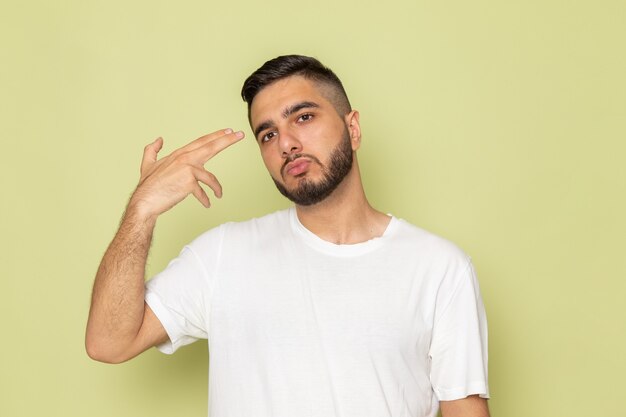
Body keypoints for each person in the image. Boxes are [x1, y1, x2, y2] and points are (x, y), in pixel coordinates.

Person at [86, 55, 490, 417]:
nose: (287, 144)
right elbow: (108, 342)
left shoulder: (439, 269)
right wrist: (142, 210)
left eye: (303, 117)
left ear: (353, 129)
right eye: (268, 134)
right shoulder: (223, 255)